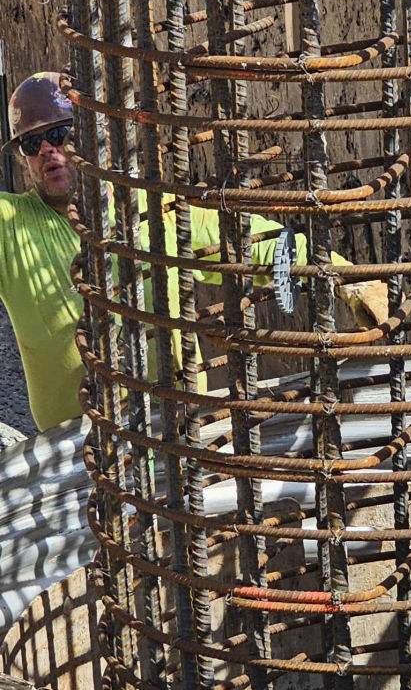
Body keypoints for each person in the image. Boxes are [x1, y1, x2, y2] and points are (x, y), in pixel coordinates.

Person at [0, 72, 388, 432]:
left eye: (62, 134)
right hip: (80, 442)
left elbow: (250, 240)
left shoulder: (152, 211)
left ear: (89, 135)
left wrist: (345, 278)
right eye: (33, 143)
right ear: (23, 156)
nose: (50, 151)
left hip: (177, 420)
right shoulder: (11, 227)